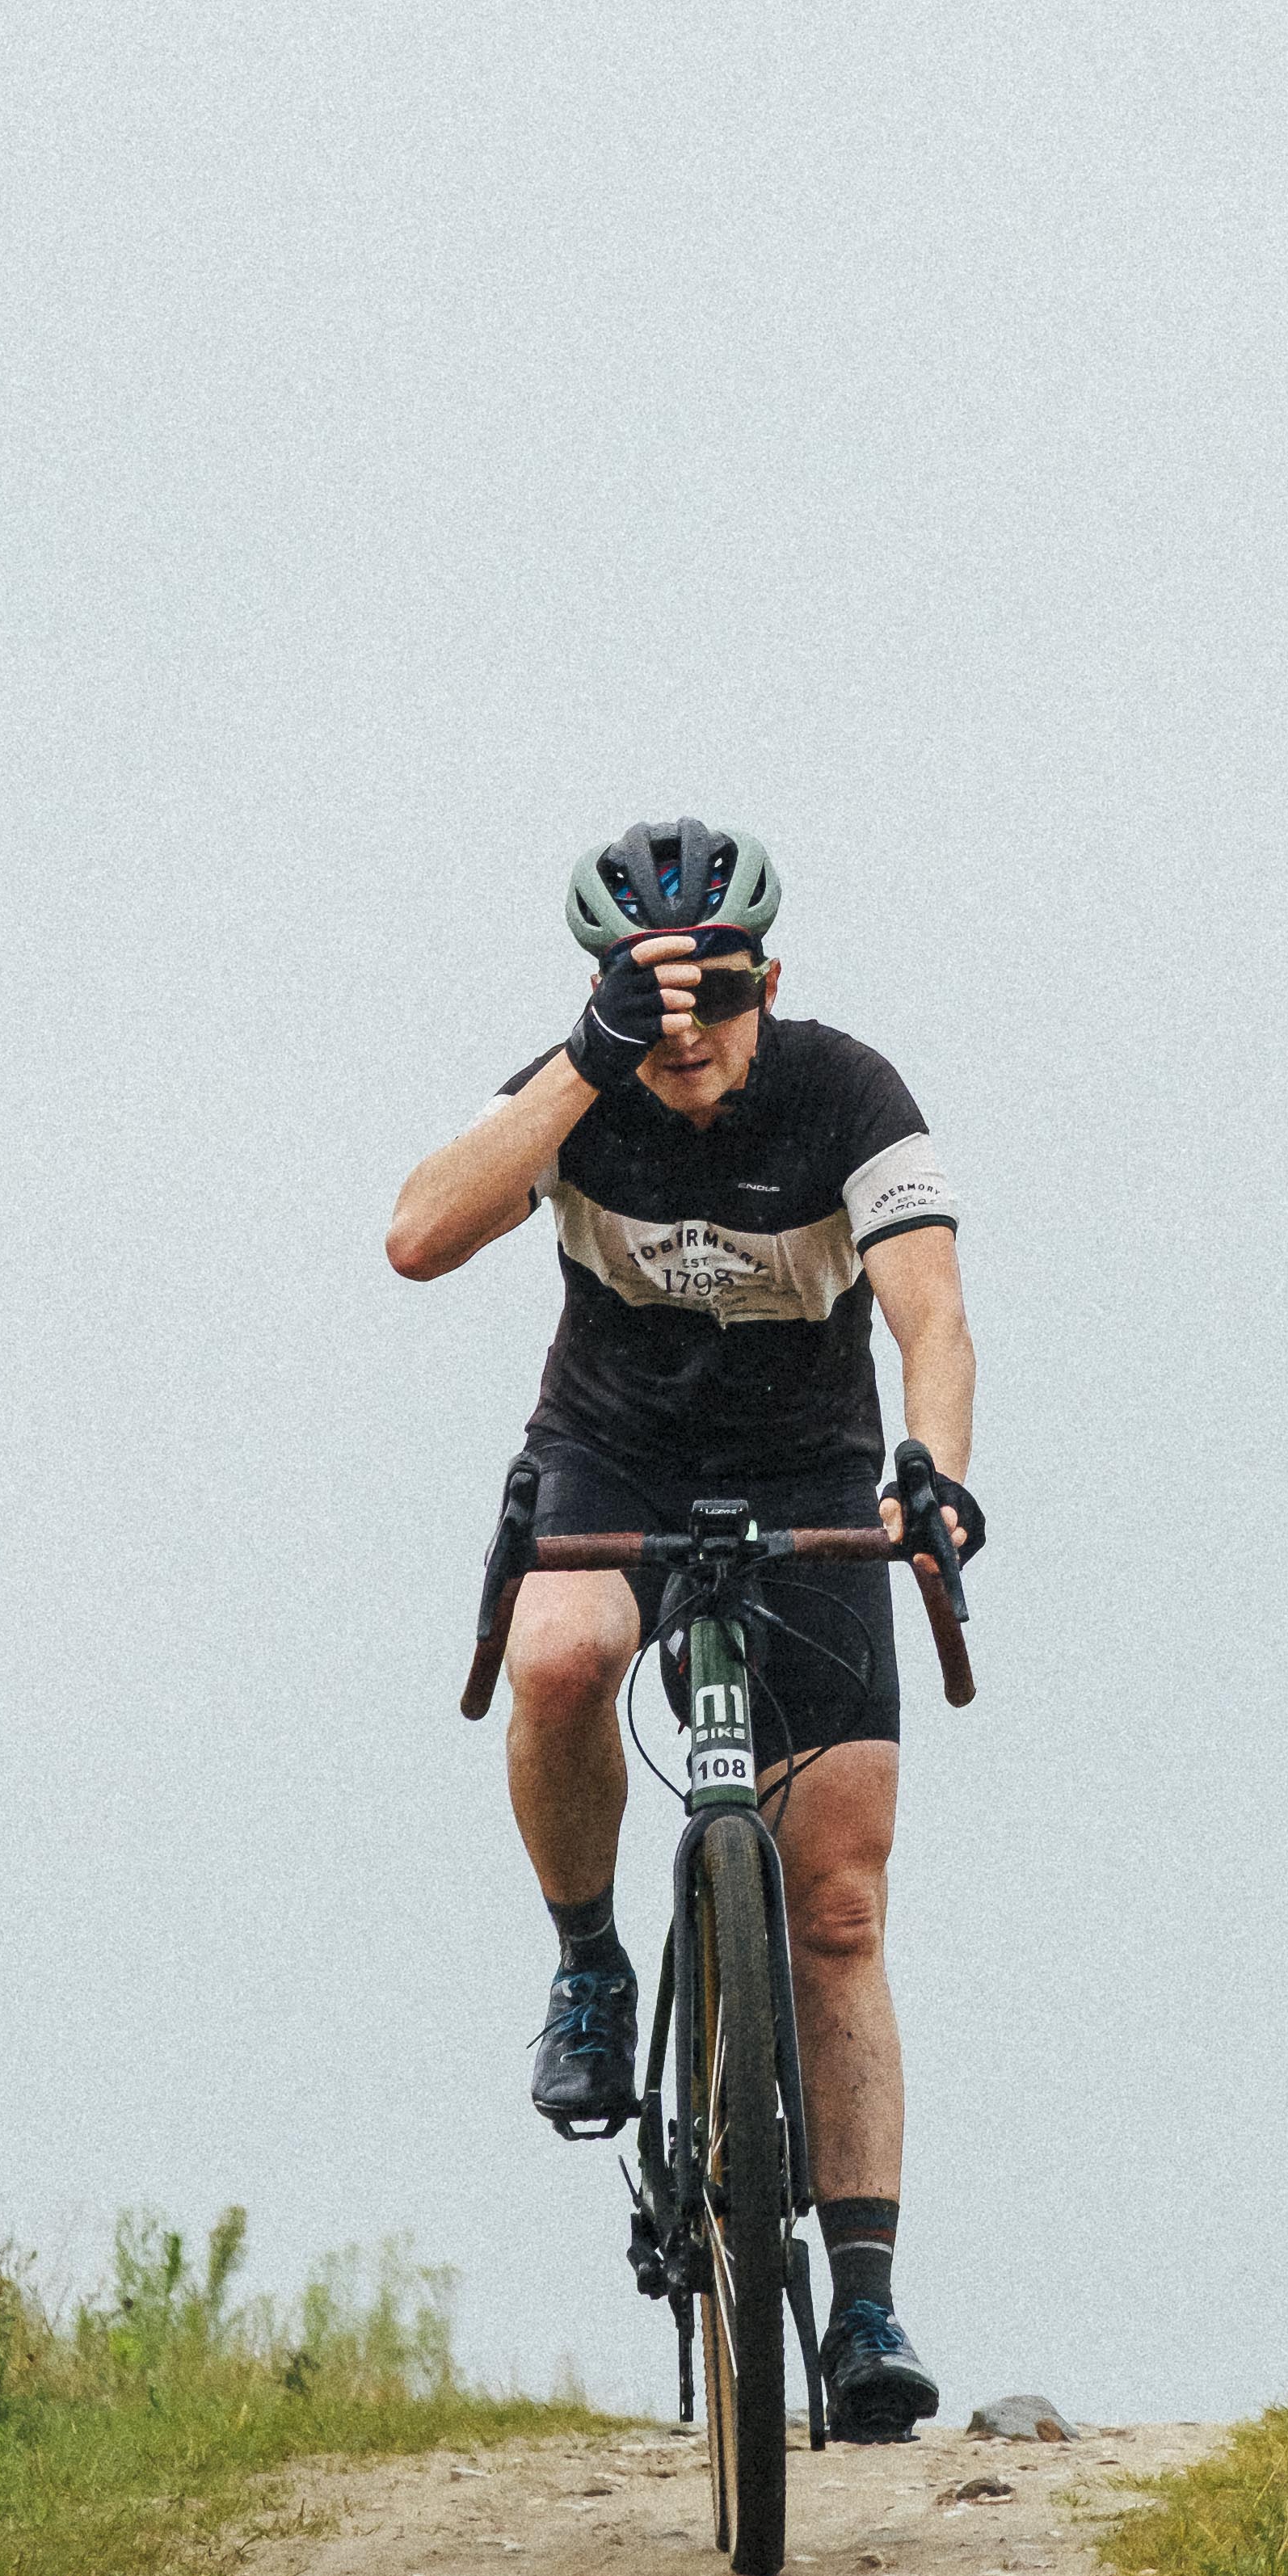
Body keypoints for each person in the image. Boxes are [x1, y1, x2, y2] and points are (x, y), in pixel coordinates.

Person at [385, 814, 983, 2441]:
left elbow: (931, 1310)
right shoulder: (579, 1085)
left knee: (838, 1906)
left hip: (810, 1475)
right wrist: (580, 1066)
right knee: (561, 1655)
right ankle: (589, 1964)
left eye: (716, 991)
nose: (686, 1028)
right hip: (612, 1456)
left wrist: (933, 1471)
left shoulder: (848, 1093)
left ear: (768, 982)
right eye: (649, 995)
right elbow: (416, 1237)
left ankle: (863, 2306)